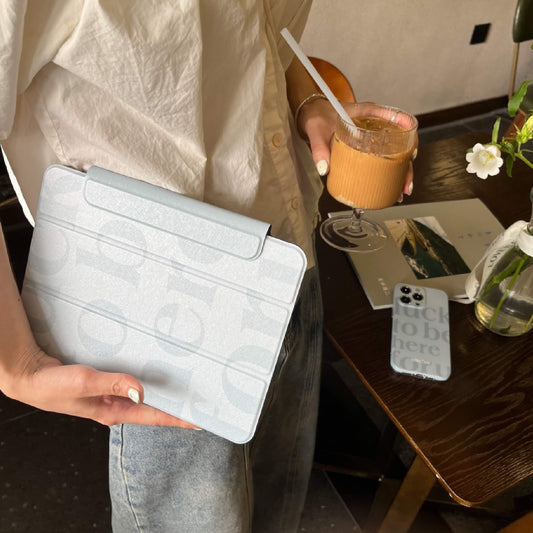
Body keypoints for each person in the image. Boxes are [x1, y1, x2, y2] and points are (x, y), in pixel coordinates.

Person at [0, 1, 413, 531]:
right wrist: (16, 366)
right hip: (165, 308)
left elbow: (261, 41)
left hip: (288, 262)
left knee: (278, 495)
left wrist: (311, 100)